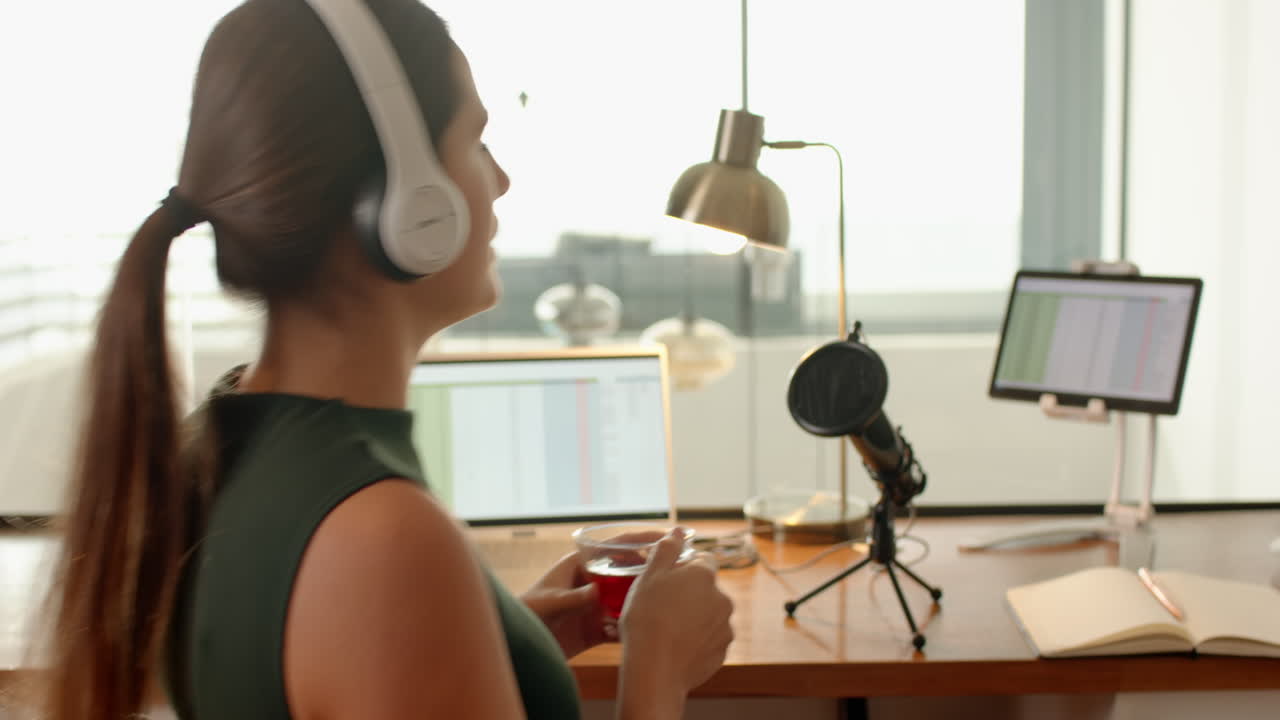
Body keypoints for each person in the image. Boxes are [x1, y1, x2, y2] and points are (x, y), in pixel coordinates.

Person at [35, 1, 734, 718]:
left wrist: (504, 639)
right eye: (475, 143)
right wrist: (657, 668)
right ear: (402, 201)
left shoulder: (220, 449)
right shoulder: (383, 540)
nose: (500, 182)